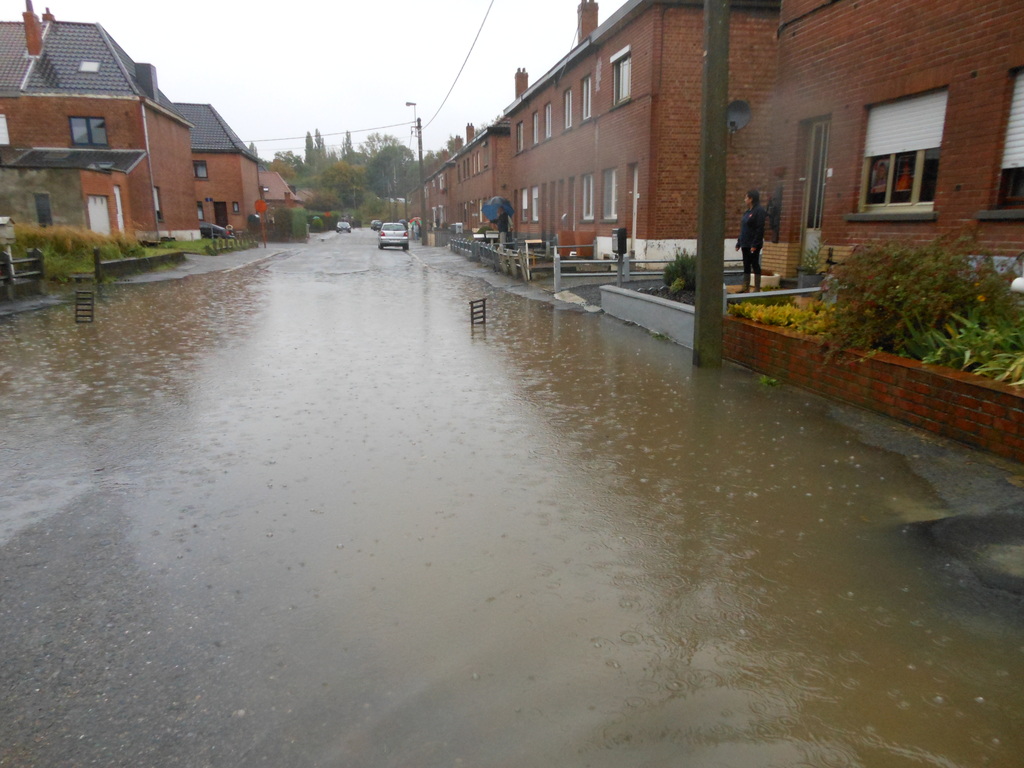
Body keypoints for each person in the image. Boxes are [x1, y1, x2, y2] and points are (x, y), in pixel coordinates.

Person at [735, 189, 767, 292]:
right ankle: (745, 288)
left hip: (753, 244)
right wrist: (739, 242)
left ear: (751, 199)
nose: (744, 200)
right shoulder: (747, 212)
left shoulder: (759, 211)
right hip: (745, 243)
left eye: (746, 197)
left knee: (754, 264)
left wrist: (755, 244)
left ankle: (757, 288)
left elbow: (759, 229)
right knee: (746, 265)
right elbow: (743, 228)